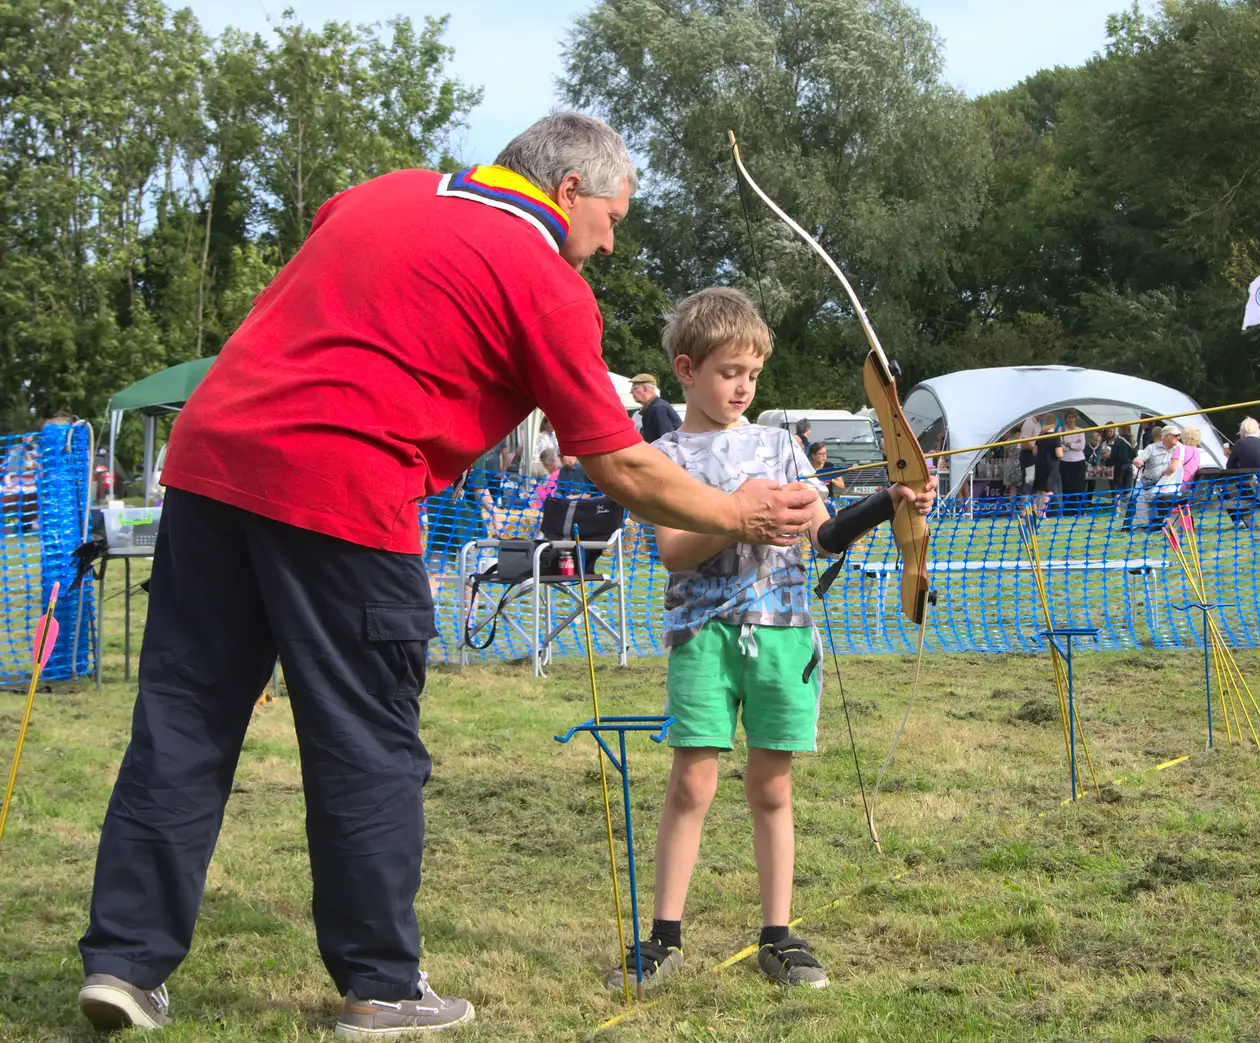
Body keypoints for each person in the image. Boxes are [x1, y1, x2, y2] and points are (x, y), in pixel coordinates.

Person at [74, 113, 820, 1038]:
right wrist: (740, 512)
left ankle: (124, 963)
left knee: (182, 721)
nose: (611, 240)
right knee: (365, 743)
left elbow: (338, 261)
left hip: (208, 464)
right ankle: (381, 984)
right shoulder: (545, 280)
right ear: (569, 192)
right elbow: (620, 464)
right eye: (613, 216)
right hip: (345, 490)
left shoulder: (383, 191)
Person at [613, 287, 933, 993]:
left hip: (785, 634)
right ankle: (663, 938)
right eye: (730, 372)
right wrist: (739, 517)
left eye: (753, 374)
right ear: (688, 369)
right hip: (703, 635)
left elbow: (821, 534)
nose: (742, 386)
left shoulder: (779, 444)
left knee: (771, 786)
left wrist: (888, 501)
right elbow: (673, 550)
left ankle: (778, 936)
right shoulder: (661, 453)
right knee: (692, 780)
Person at [632, 373, 683, 444]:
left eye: (635, 388)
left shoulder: (658, 409)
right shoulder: (651, 408)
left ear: (645, 389)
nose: (631, 392)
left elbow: (666, 443)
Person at [1033, 416, 1064, 511]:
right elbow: (1059, 454)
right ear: (1055, 424)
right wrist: (1062, 453)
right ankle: (1042, 513)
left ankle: (1036, 512)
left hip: (1039, 465)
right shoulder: (1055, 437)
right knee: (1048, 490)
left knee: (1039, 490)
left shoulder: (1040, 436)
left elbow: (1034, 452)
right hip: (1051, 466)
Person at [1060, 411, 1088, 510]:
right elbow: (1059, 446)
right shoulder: (1061, 430)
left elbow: (1081, 446)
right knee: (1067, 486)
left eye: (1073, 417)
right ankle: (1068, 509)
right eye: (1069, 417)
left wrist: (1069, 444)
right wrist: (1070, 447)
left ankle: (1082, 509)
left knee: (1080, 486)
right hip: (1065, 462)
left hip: (1079, 461)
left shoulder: (1080, 430)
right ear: (1066, 419)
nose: (1071, 420)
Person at [1018, 414, 1041, 492]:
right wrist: (1034, 448)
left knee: (1032, 482)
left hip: (1033, 455)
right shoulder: (1029, 423)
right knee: (1029, 481)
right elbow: (1023, 443)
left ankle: (1031, 503)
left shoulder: (1038, 424)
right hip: (1028, 455)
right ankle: (1025, 502)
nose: (1043, 414)